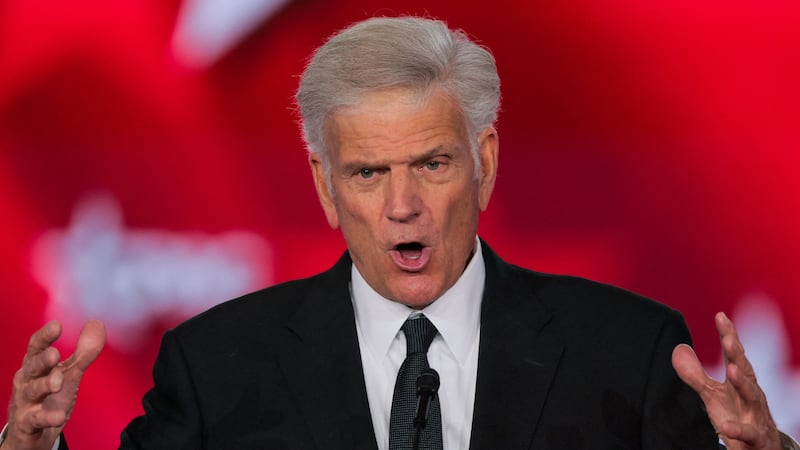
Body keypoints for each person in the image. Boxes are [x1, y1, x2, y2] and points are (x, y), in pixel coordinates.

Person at [1, 16, 797, 450]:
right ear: (324, 184)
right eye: (368, 174)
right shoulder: (215, 364)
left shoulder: (631, 347)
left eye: (434, 165)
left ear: (484, 163)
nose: (403, 207)